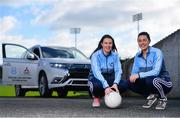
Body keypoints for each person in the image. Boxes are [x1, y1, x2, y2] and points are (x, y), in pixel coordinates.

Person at [127, 32, 173, 110]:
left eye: (144, 40)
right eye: (140, 41)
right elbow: (134, 74)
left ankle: (162, 98)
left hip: (164, 82)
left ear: (149, 41)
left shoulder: (157, 52)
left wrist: (139, 75)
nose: (142, 43)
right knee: (129, 82)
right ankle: (151, 96)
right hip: (149, 82)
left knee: (150, 79)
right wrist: (133, 77)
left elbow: (156, 72)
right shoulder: (137, 56)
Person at [88, 34, 124, 107]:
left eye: (110, 43)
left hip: (109, 78)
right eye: (106, 43)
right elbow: (97, 72)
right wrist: (106, 86)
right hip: (96, 78)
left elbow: (118, 70)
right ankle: (96, 97)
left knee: (124, 84)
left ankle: (109, 94)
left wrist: (115, 84)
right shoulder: (95, 55)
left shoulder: (115, 55)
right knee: (96, 85)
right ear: (102, 44)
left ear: (112, 44)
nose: (108, 45)